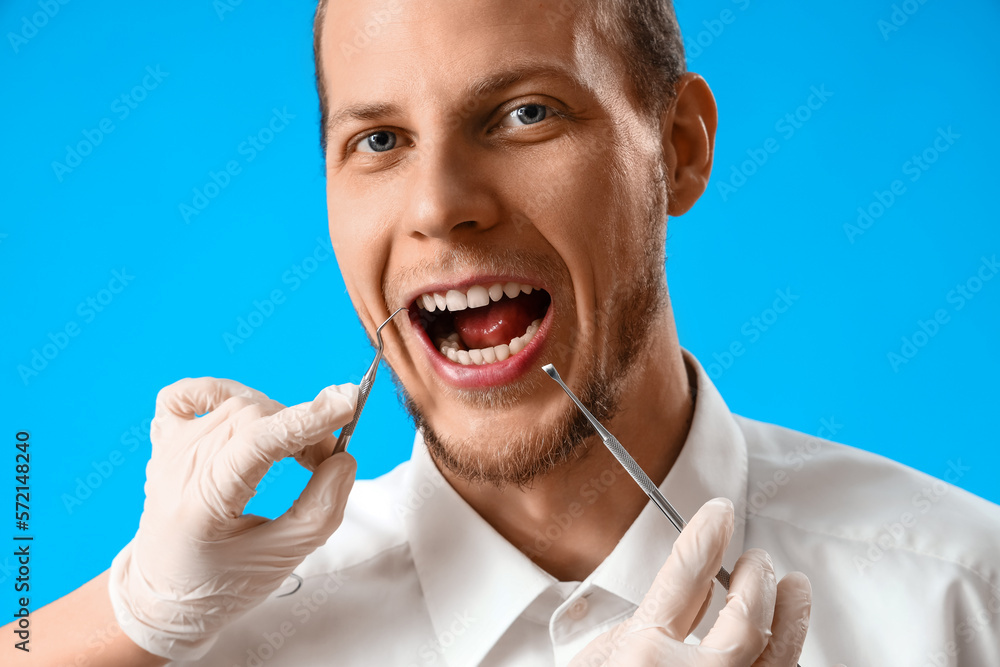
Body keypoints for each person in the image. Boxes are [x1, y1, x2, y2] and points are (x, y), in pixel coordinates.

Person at [8, 0, 999, 665]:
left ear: (681, 148)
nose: (438, 205)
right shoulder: (224, 638)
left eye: (525, 113)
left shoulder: (960, 596)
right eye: (380, 140)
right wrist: (132, 611)